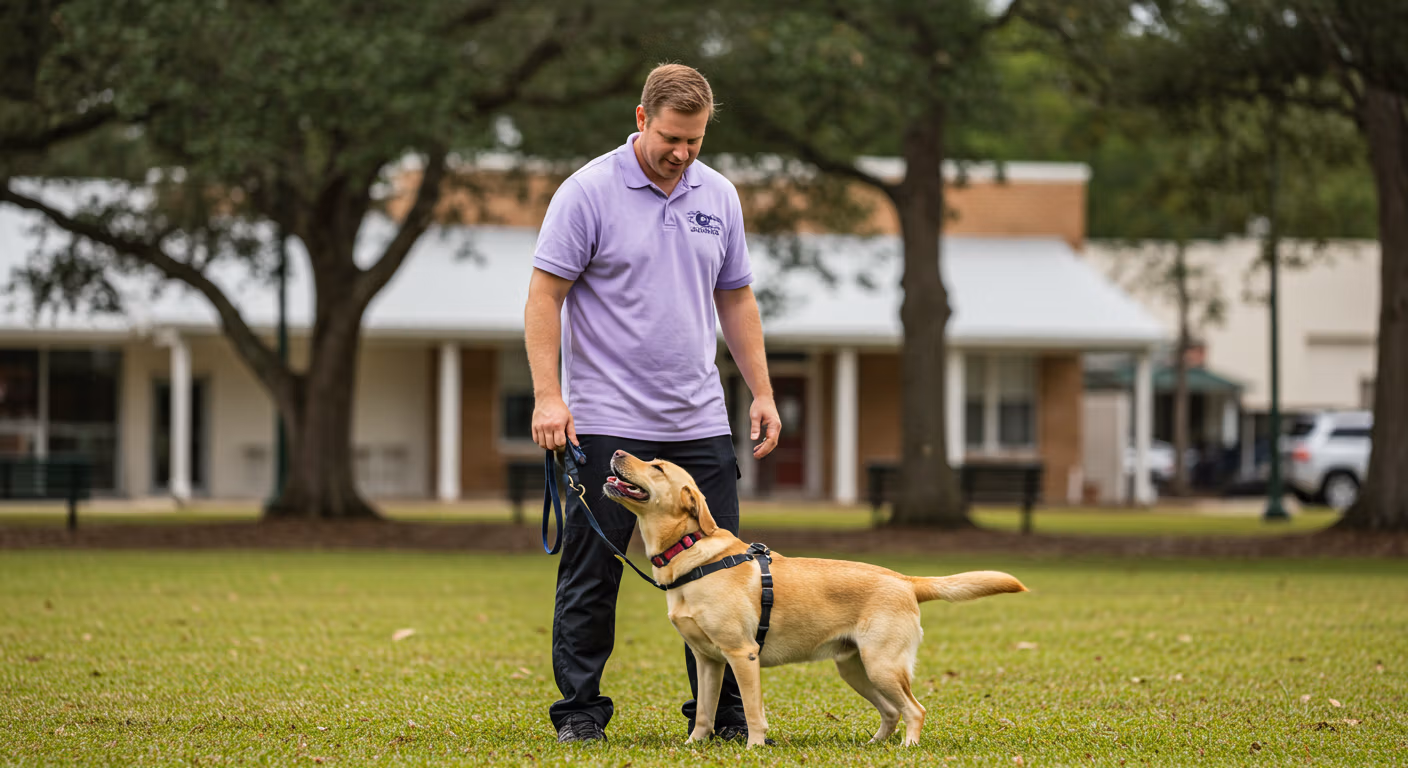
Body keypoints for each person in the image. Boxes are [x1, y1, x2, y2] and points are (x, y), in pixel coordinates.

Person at [524, 63, 780, 744]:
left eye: (695, 141)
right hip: (608, 421)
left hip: (698, 420)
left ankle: (723, 719)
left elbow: (736, 297)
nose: (682, 153)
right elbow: (544, 295)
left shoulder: (718, 195)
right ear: (641, 119)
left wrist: (762, 390)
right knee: (591, 571)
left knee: (722, 575)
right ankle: (580, 713)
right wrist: (549, 397)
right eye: (671, 137)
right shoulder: (588, 192)